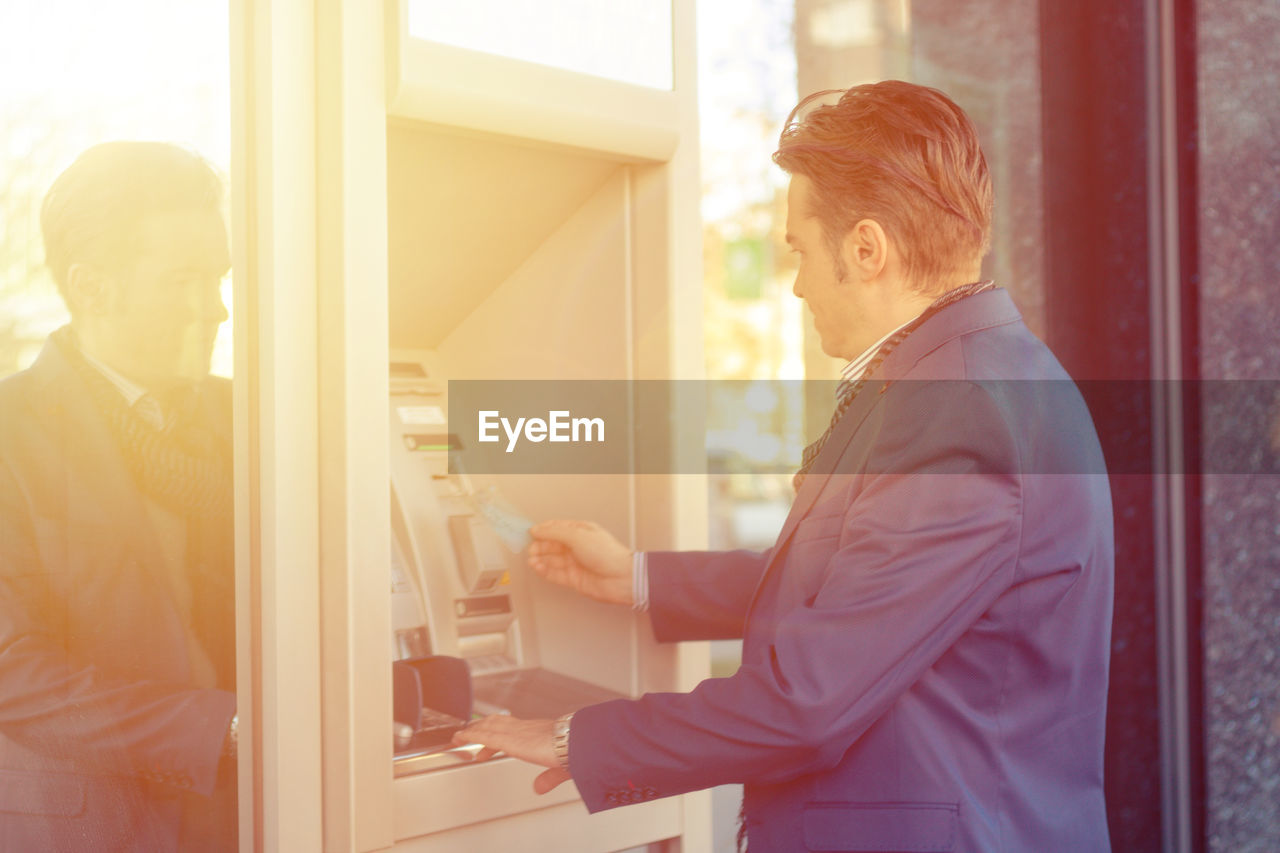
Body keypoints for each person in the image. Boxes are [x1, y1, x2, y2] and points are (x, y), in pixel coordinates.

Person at [457, 80, 1114, 852]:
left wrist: (577, 740)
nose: (797, 283)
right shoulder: (980, 377)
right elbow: (859, 586)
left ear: (867, 249)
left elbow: (807, 705)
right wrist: (639, 578)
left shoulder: (957, 410)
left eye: (799, 249)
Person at [0, 142, 238, 851]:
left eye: (220, 278)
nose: (218, 309)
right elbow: (13, 672)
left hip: (268, 813)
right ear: (93, 287)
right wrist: (219, 729)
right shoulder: (11, 432)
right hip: (95, 829)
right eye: (186, 280)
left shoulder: (258, 418)